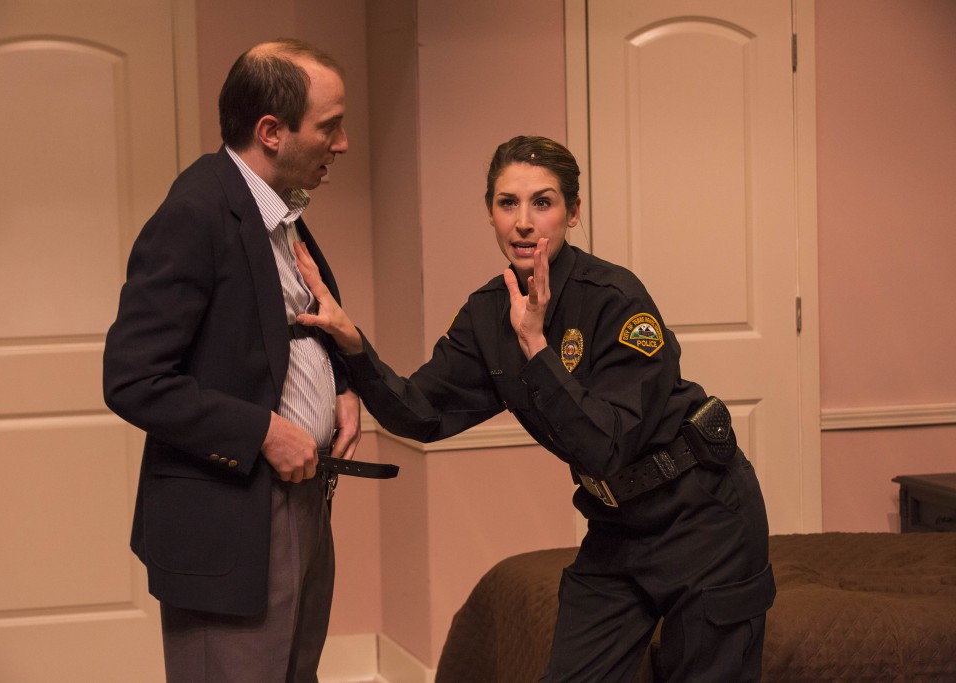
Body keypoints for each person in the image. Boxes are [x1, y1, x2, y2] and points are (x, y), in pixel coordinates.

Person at [292, 135, 777, 682]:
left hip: (702, 516)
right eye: (508, 203)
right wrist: (352, 345)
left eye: (542, 202)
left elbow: (607, 446)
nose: (523, 223)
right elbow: (419, 413)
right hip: (617, 524)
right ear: (490, 213)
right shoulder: (487, 315)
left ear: (573, 211)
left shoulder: (615, 298)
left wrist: (535, 346)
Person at [103, 39, 360, 682]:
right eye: (329, 126)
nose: (343, 143)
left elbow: (291, 321)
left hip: (304, 499)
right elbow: (133, 379)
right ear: (271, 131)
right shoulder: (195, 212)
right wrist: (264, 431)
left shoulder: (279, 206)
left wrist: (342, 387)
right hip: (230, 515)